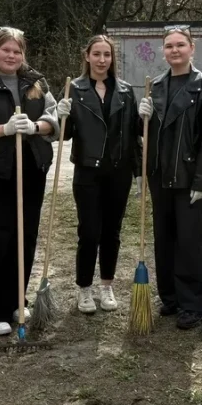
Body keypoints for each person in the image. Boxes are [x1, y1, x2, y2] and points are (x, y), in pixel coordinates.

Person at [0, 27, 59, 336]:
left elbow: (54, 118)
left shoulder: (36, 82)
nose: (11, 56)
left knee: (26, 235)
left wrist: (35, 127)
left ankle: (18, 298)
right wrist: (5, 129)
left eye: (17, 51)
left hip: (31, 168)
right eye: (6, 49)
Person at [137, 25, 202, 330]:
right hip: (161, 178)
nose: (175, 50)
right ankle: (170, 296)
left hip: (189, 178)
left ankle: (193, 304)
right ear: (164, 51)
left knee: (191, 242)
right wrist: (142, 117)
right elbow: (147, 135)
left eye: (180, 45)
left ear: (191, 48)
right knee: (165, 239)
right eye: (169, 46)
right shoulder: (156, 86)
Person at [56, 35, 142, 314]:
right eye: (97, 54)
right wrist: (60, 115)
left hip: (119, 172)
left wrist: (139, 171)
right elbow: (65, 134)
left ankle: (106, 285)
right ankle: (84, 288)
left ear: (112, 58)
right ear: (87, 56)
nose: (102, 60)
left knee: (111, 232)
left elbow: (135, 134)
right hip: (87, 172)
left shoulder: (126, 91)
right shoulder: (74, 89)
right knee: (89, 231)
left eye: (107, 54)